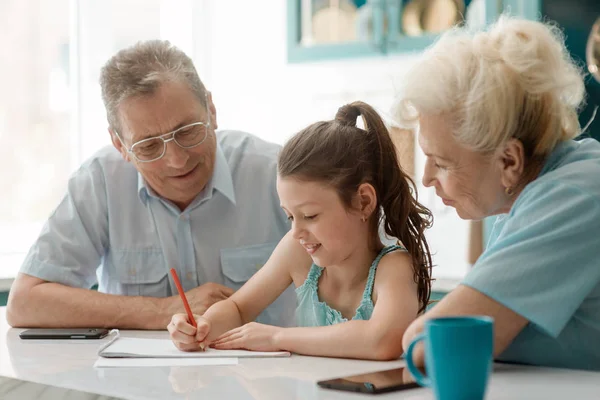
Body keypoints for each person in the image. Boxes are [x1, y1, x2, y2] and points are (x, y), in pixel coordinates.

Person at [6, 40, 293, 330]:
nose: (177, 160)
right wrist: (162, 310)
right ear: (120, 145)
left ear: (211, 110)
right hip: (136, 376)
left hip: (270, 371)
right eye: (149, 146)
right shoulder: (100, 182)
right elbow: (25, 304)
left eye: (188, 131)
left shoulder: (278, 172)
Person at [396, 16, 600, 370]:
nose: (426, 178)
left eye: (441, 162)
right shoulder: (547, 187)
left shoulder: (573, 196)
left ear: (509, 160)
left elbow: (429, 345)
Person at [168, 101, 434, 360]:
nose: (296, 231)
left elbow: (383, 340)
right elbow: (237, 308)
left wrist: (277, 338)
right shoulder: (297, 252)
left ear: (363, 201)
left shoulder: (394, 267)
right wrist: (202, 328)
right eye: (290, 216)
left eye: (309, 216)